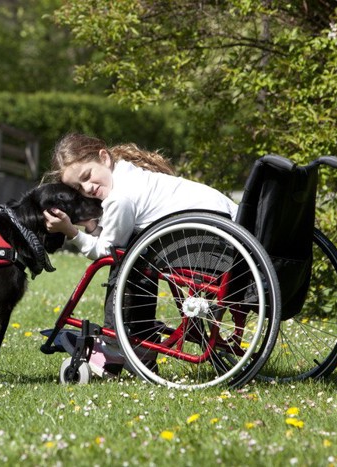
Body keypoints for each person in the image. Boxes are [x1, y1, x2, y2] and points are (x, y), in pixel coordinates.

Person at [43, 133, 239, 376]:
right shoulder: (132, 176)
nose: (87, 188)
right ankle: (137, 343)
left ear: (104, 157)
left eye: (87, 177)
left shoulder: (120, 197)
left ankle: (118, 343)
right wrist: (93, 227)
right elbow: (117, 233)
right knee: (134, 250)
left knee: (125, 257)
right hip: (226, 237)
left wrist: (71, 232)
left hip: (208, 245)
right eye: (77, 187)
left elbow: (106, 252)